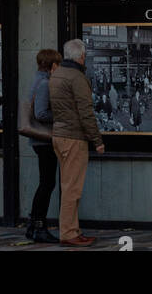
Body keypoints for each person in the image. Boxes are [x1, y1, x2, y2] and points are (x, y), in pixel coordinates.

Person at [49, 38, 105, 247]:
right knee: (72, 188)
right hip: (74, 138)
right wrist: (97, 140)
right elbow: (86, 112)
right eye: (84, 55)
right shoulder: (77, 77)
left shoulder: (56, 75)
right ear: (81, 56)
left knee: (67, 186)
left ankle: (72, 230)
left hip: (59, 136)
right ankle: (69, 233)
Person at [25, 48, 62, 243]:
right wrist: (61, 116)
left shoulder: (37, 80)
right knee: (47, 183)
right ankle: (39, 225)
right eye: (58, 64)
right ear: (52, 65)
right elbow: (40, 113)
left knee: (46, 182)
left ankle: (33, 224)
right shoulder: (45, 83)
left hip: (40, 141)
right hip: (43, 139)